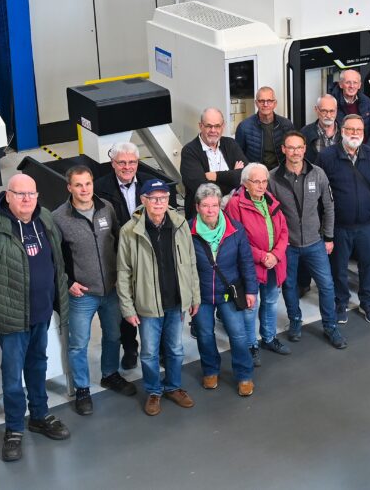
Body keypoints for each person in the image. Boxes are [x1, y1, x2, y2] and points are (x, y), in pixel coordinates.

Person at [0, 173, 71, 462]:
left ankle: (39, 415)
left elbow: (56, 259)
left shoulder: (44, 219)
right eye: (20, 194)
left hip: (41, 312)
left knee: (37, 366)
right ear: (8, 196)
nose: (26, 199)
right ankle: (13, 429)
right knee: (12, 376)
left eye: (31, 194)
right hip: (11, 318)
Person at [52, 165, 136, 417]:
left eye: (87, 184)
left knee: (113, 335)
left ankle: (110, 374)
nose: (84, 189)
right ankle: (82, 390)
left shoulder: (106, 208)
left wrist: (122, 277)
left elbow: (119, 242)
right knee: (78, 344)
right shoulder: (58, 218)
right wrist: (68, 282)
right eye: (78, 185)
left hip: (111, 290)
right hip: (82, 294)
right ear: (69, 187)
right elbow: (54, 257)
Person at [116, 178, 200, 416]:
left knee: (175, 349)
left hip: (176, 300)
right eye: (154, 199)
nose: (159, 203)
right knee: (149, 353)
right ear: (143, 200)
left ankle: (173, 387)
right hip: (147, 305)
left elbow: (191, 262)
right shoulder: (129, 231)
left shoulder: (180, 224)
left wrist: (194, 296)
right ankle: (154, 391)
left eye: (163, 198)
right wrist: (127, 308)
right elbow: (123, 272)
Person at [95, 142, 174, 370]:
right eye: (122, 162)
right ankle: (130, 348)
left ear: (138, 163)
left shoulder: (150, 183)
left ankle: (161, 350)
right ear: (113, 163)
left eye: (132, 162)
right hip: (119, 255)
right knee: (125, 305)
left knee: (155, 302)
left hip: (150, 254)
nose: (127, 167)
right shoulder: (100, 188)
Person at [269, 131, 347, 349]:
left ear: (304, 149)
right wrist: (276, 244)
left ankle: (330, 326)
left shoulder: (317, 173)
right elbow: (268, 213)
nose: (295, 152)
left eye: (299, 147)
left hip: (315, 243)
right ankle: (295, 321)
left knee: (327, 285)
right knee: (289, 286)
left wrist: (328, 237)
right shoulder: (272, 178)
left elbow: (329, 206)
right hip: (287, 245)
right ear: (283, 149)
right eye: (290, 147)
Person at [318, 114, 370, 325]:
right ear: (342, 131)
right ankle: (340, 303)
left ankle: (367, 303)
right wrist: (323, 229)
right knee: (339, 268)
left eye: (358, 130)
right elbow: (320, 195)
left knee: (367, 266)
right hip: (338, 226)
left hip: (366, 225)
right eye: (350, 129)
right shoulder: (326, 157)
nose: (354, 133)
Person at [190, 183, 258, 398]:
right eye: (205, 205)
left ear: (220, 206)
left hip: (229, 292)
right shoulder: (187, 231)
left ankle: (244, 375)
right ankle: (210, 370)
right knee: (204, 334)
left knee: (238, 334)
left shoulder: (235, 229)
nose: (210, 210)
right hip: (201, 294)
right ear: (197, 207)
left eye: (214, 205)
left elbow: (246, 262)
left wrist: (251, 290)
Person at [224, 163, 290, 365]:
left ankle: (269, 338)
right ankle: (251, 345)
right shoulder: (235, 205)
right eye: (256, 182)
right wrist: (262, 257)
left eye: (264, 181)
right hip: (250, 266)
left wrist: (275, 255)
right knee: (250, 307)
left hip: (273, 264)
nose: (261, 186)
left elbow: (284, 231)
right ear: (245, 183)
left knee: (270, 302)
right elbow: (236, 239)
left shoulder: (271, 200)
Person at [180, 108, 246, 200]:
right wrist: (233, 177)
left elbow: (247, 175)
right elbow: (202, 190)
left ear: (223, 126)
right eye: (208, 126)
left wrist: (215, 176)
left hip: (234, 205)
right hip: (206, 207)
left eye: (217, 126)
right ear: (200, 126)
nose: (213, 130)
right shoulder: (189, 151)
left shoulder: (230, 144)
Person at [235, 86, 294, 169]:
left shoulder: (286, 125)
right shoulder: (244, 127)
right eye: (261, 101)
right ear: (256, 103)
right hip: (255, 172)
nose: (265, 104)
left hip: (280, 171)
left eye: (269, 101)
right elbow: (239, 156)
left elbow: (292, 150)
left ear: (275, 103)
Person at [335, 69, 370, 145]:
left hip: (365, 148)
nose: (352, 86)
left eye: (355, 82)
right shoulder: (333, 103)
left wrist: (368, 148)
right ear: (341, 84)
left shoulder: (366, 102)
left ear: (359, 85)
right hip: (342, 149)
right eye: (348, 82)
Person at [301, 94, 342, 163]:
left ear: (336, 110)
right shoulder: (305, 133)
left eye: (332, 111)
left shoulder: (345, 132)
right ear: (316, 109)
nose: (328, 115)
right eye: (324, 111)